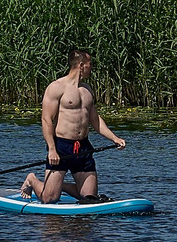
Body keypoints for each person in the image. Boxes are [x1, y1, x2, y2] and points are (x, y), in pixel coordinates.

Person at [21, 48, 125, 203]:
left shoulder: (87, 89)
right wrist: (52, 149)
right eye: (90, 64)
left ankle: (58, 185)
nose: (92, 68)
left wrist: (114, 138)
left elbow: (95, 120)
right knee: (49, 198)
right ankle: (32, 180)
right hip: (62, 147)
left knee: (90, 198)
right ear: (81, 65)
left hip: (83, 148)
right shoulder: (57, 87)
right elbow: (46, 120)